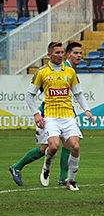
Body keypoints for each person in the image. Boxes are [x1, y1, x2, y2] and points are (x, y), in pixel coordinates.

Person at [9, 42, 84, 187]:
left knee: (67, 144)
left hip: (64, 114)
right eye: (75, 53)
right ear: (68, 55)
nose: (79, 56)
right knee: (47, 148)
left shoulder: (68, 70)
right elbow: (32, 93)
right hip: (48, 113)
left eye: (80, 53)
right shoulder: (59, 68)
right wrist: (37, 114)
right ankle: (17, 167)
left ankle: (63, 178)